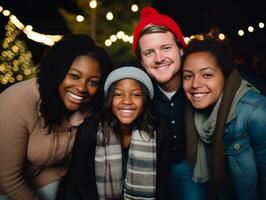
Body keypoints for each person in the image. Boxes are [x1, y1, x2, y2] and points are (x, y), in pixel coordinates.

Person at [0, 34, 112, 200]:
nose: (82, 88)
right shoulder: (16, 101)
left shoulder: (90, 107)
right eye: (74, 76)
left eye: (93, 82)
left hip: (49, 181)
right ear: (57, 72)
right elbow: (8, 178)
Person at [57, 66, 171, 200]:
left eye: (135, 94)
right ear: (110, 99)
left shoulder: (159, 131)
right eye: (118, 94)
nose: (127, 101)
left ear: (144, 100)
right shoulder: (89, 130)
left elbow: (162, 185)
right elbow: (79, 183)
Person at [132, 6, 207, 200]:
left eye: (166, 48)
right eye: (149, 53)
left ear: (181, 50)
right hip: (151, 168)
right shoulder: (137, 94)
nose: (159, 59)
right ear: (141, 61)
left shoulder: (201, 86)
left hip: (190, 165)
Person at [182, 38, 266, 199]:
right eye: (187, 76)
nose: (195, 84)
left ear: (225, 76)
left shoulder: (256, 112)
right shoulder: (195, 115)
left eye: (207, 75)